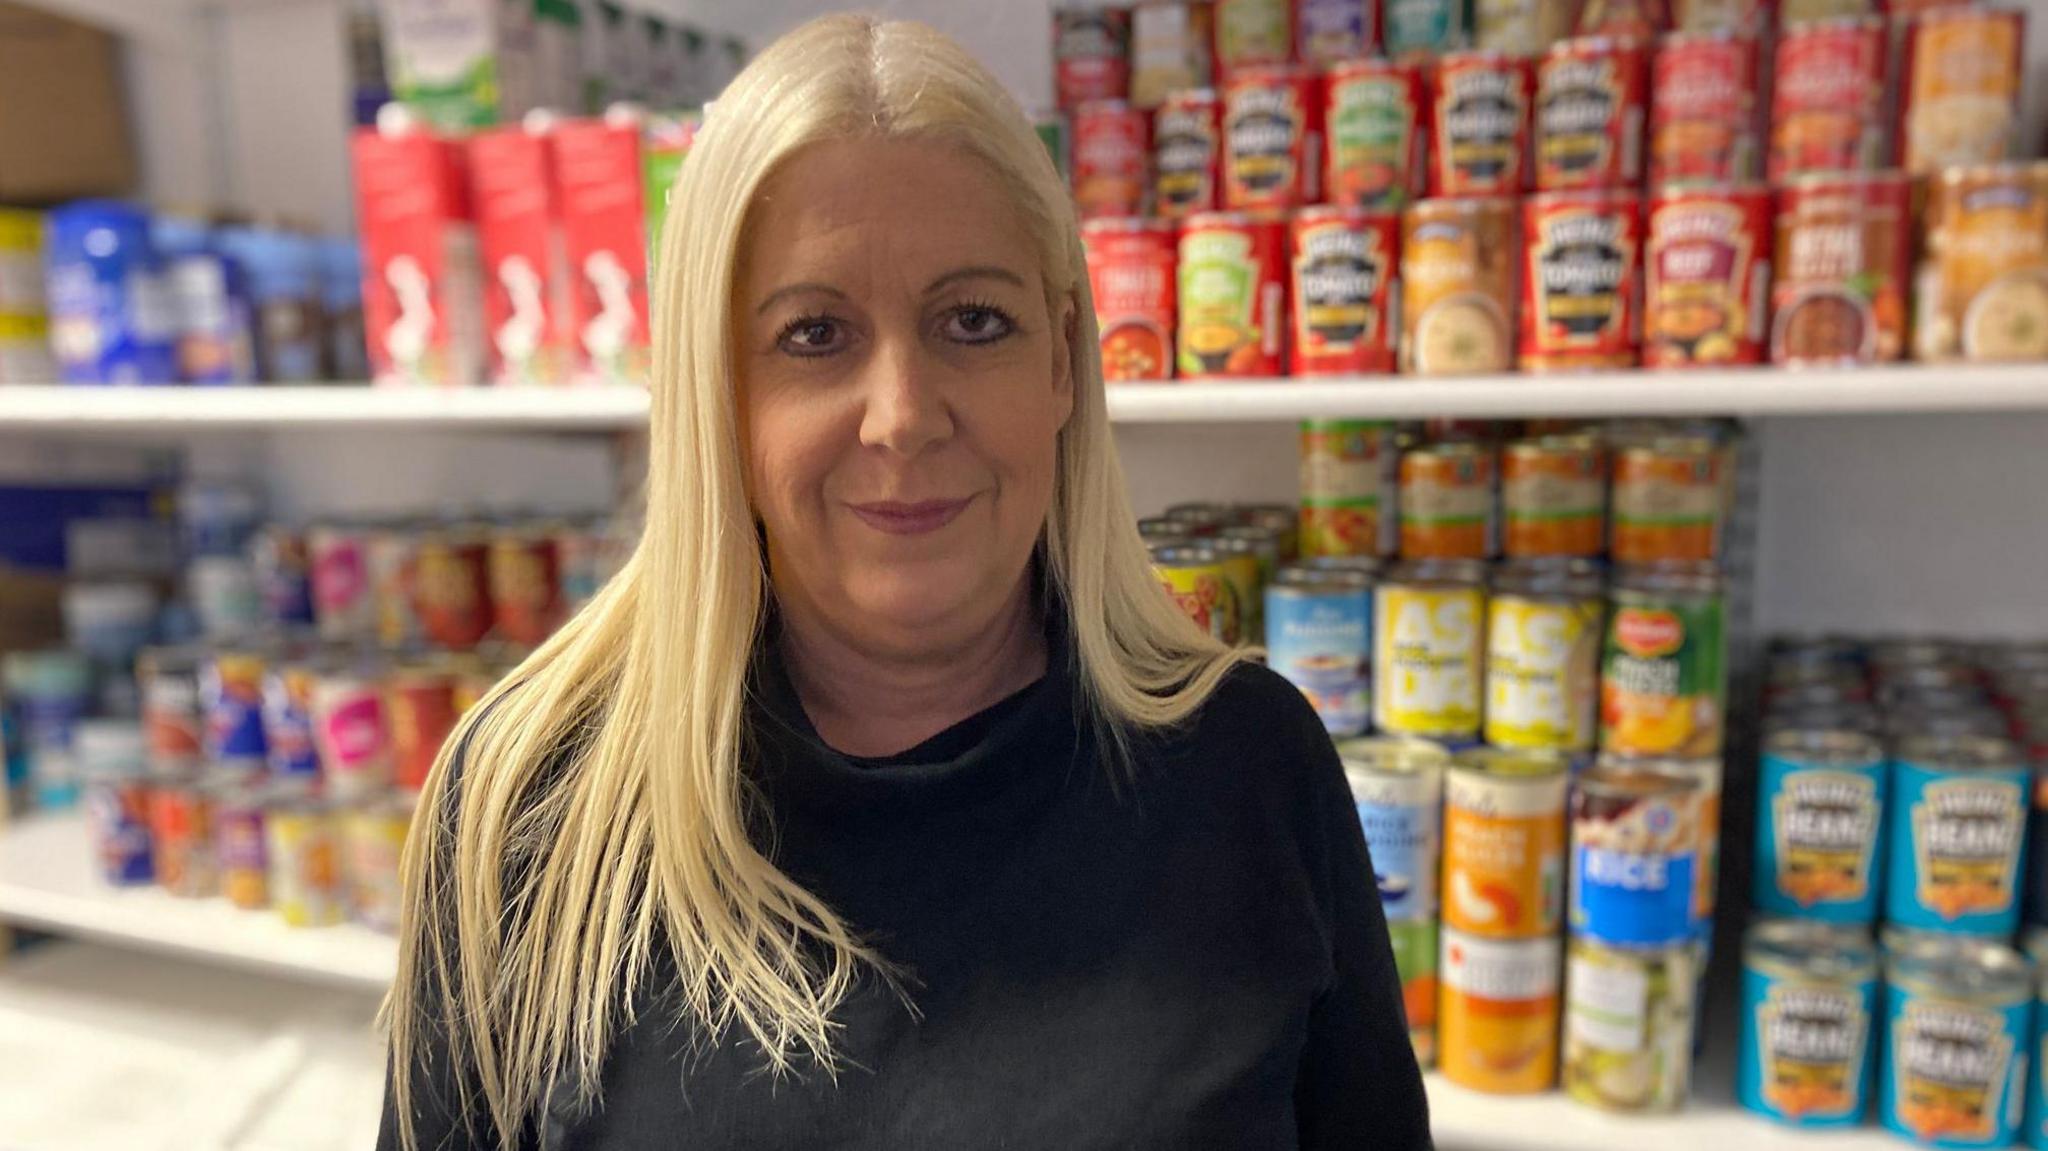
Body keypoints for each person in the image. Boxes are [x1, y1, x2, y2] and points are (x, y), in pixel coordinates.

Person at [379, 13, 1429, 1150]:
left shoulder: (1253, 765)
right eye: (814, 333)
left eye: (973, 321)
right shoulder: (527, 808)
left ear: (1062, 357)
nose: (903, 417)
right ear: (715, 391)